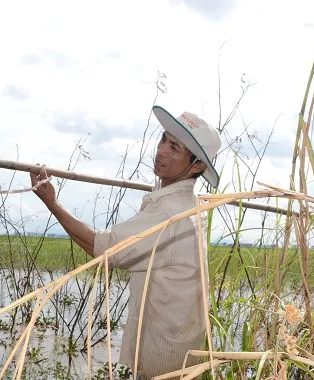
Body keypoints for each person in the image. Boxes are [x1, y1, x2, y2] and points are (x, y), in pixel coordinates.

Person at [30, 105, 222, 379]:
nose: (162, 152)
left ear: (198, 166)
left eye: (175, 148)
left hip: (164, 352)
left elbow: (106, 248)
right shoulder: (186, 203)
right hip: (182, 344)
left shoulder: (169, 213)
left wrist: (53, 204)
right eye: (164, 140)